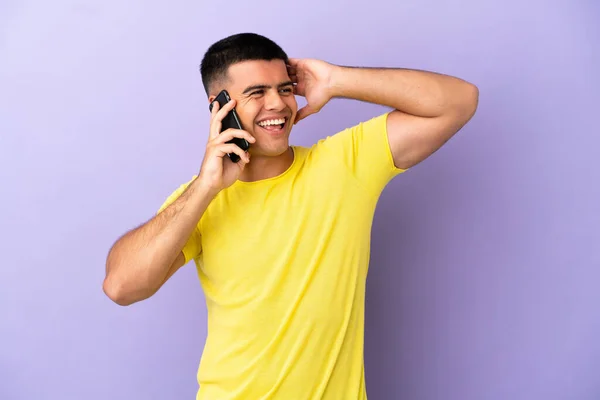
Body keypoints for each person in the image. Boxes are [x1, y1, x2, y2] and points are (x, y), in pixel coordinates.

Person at [103, 32, 478, 399]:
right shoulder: (201, 199)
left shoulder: (345, 164)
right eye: (257, 93)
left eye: (284, 89)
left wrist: (336, 80)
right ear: (220, 108)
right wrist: (205, 187)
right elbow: (122, 287)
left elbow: (459, 101)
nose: (278, 104)